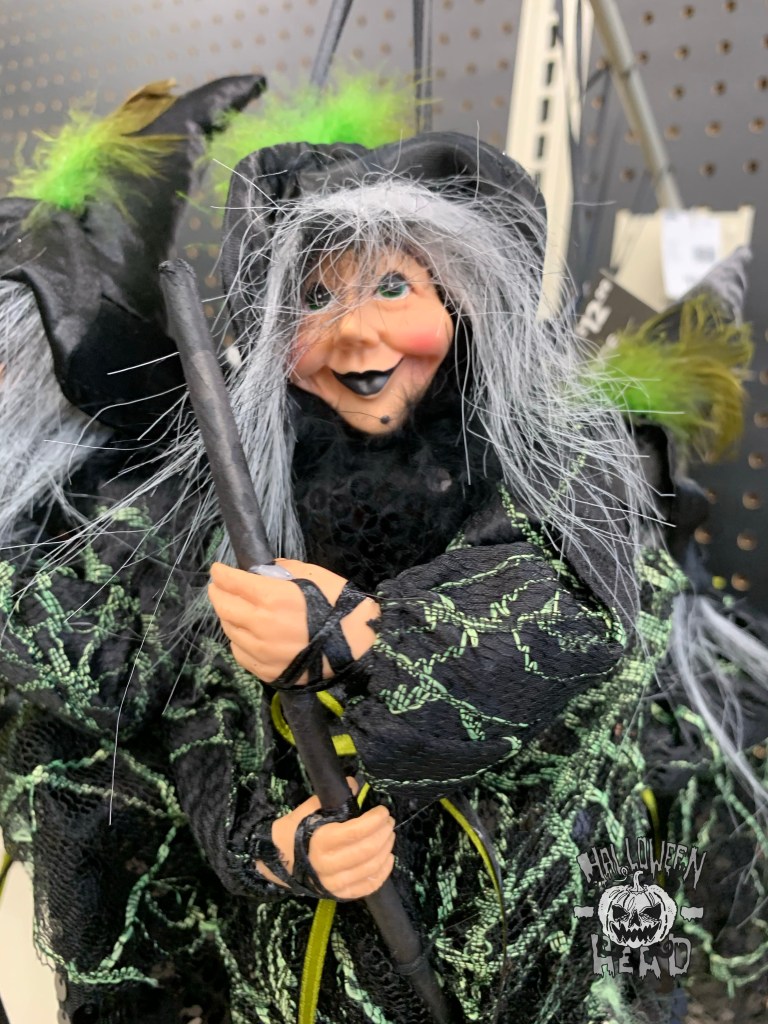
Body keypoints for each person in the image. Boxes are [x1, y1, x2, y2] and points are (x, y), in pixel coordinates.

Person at [0, 130, 764, 1024]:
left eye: (392, 287)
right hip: (323, 975)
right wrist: (274, 846)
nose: (355, 332)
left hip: (545, 950)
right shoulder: (246, 503)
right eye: (314, 300)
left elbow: (585, 623)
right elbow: (202, 711)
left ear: (459, 298)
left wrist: (365, 636)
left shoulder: (567, 462)